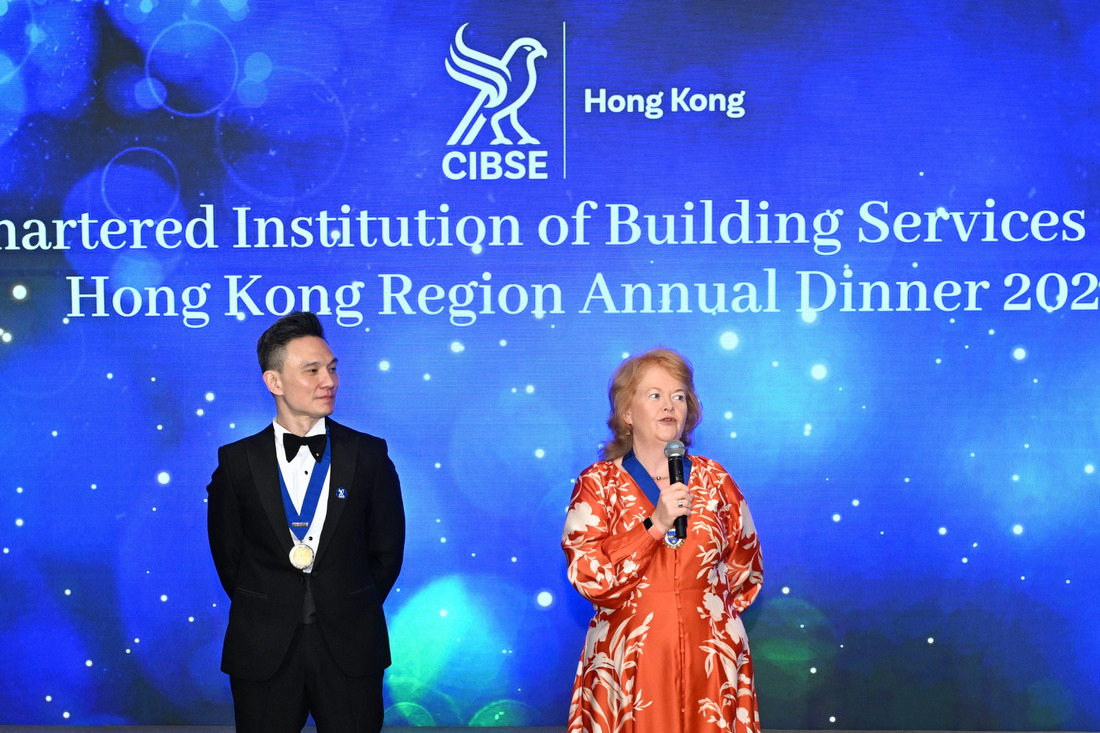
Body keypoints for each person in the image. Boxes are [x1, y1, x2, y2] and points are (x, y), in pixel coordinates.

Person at [207, 311, 405, 733]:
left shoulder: (369, 455)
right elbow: (229, 558)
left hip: (351, 647)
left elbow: (387, 552)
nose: (329, 381)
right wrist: (270, 604)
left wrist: (348, 603)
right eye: (312, 370)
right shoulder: (237, 463)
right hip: (262, 650)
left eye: (332, 368)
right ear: (274, 382)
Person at [562, 348, 764, 733]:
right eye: (654, 395)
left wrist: (705, 616)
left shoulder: (716, 480)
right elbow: (589, 575)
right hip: (628, 662)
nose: (669, 405)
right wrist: (654, 526)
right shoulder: (597, 484)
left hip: (711, 662)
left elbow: (745, 566)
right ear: (626, 412)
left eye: (679, 395)